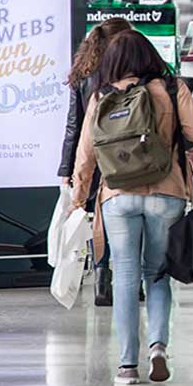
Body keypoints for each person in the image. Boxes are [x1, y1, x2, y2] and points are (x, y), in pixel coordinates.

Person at [71, 31, 193, 386]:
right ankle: (158, 347)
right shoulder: (170, 86)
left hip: (118, 195)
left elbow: (85, 153)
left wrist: (77, 197)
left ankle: (127, 365)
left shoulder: (102, 95)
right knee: (158, 273)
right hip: (167, 190)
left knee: (127, 277)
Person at [58, 17, 133, 306]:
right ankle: (130, 278)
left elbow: (73, 125)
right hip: (126, 156)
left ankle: (102, 275)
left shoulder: (83, 73)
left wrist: (67, 169)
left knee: (96, 220)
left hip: (91, 157)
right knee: (124, 218)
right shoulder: (131, 73)